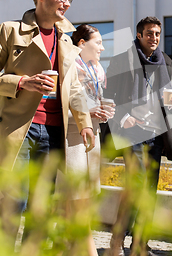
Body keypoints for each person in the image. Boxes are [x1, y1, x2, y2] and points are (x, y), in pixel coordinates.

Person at [0, 0, 96, 247]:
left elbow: (73, 87)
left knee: (40, 210)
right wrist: (22, 82)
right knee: (13, 203)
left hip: (54, 132)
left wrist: (85, 122)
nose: (66, 3)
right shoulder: (10, 30)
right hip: (19, 129)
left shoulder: (67, 37)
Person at [103, 16, 172, 256]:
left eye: (157, 33)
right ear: (139, 35)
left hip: (155, 134)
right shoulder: (121, 61)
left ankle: (140, 243)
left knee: (149, 190)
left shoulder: (165, 61)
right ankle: (117, 240)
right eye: (149, 33)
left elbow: (169, 96)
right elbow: (108, 96)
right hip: (131, 133)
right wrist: (125, 118)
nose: (154, 38)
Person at [57, 24, 115, 255]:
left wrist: (102, 110)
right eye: (97, 42)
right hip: (72, 138)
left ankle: (63, 248)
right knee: (77, 200)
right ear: (82, 44)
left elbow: (93, 102)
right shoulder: (68, 66)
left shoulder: (97, 69)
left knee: (81, 200)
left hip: (93, 137)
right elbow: (59, 108)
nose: (102, 47)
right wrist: (87, 114)